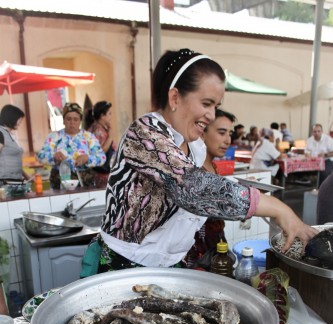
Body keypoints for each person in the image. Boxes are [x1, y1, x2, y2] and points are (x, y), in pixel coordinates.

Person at [81, 48, 316, 277]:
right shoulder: (145, 135)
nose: (212, 115)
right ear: (175, 97)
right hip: (124, 267)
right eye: (206, 103)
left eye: (216, 106)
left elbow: (204, 197)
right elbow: (194, 189)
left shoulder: (195, 147)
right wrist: (278, 208)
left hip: (169, 267)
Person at [185, 109, 236, 269]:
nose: (228, 140)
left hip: (215, 250)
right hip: (196, 256)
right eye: (222, 133)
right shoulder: (194, 169)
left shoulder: (213, 166)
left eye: (230, 133)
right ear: (202, 133)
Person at [38, 102, 106, 189]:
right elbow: (41, 156)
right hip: (59, 182)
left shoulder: (88, 137)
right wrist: (54, 156)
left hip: (84, 182)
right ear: (63, 120)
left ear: (80, 121)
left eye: (75, 119)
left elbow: (102, 158)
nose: (72, 122)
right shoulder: (54, 137)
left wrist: (87, 158)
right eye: (68, 119)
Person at [83, 100, 117, 172]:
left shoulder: (100, 127)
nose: (111, 116)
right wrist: (110, 137)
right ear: (102, 116)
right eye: (109, 114)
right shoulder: (97, 131)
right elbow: (100, 152)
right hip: (101, 170)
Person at [0, 104, 25, 182]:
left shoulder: (8, 134)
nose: (20, 122)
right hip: (5, 181)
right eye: (19, 119)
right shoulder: (1, 133)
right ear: (11, 118)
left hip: (13, 180)